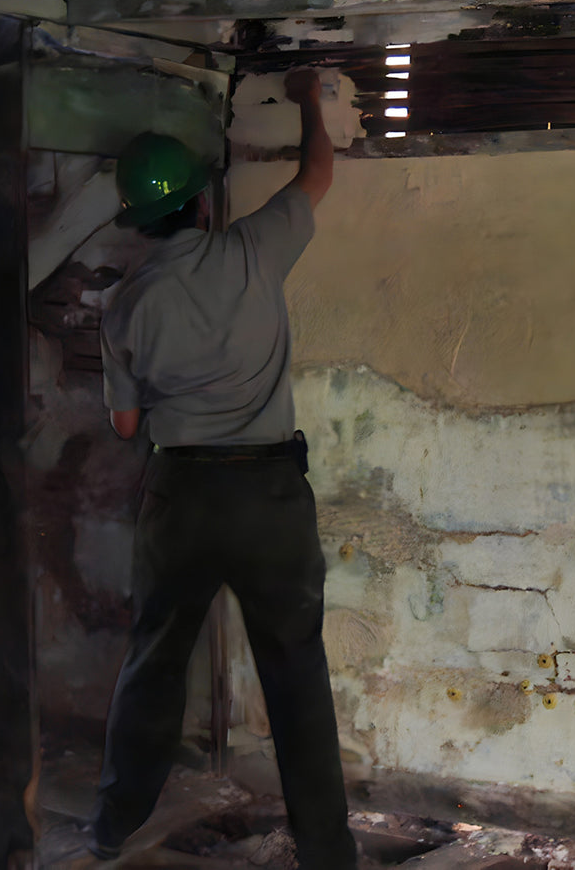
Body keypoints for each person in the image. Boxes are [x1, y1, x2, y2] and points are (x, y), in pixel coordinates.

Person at [88, 68, 353, 868]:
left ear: (141, 223)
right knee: (296, 672)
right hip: (269, 493)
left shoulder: (127, 306)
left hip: (183, 497)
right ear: (203, 203)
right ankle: (328, 853)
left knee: (154, 662)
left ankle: (109, 828)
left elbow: (127, 422)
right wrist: (310, 99)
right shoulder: (254, 248)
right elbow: (318, 173)